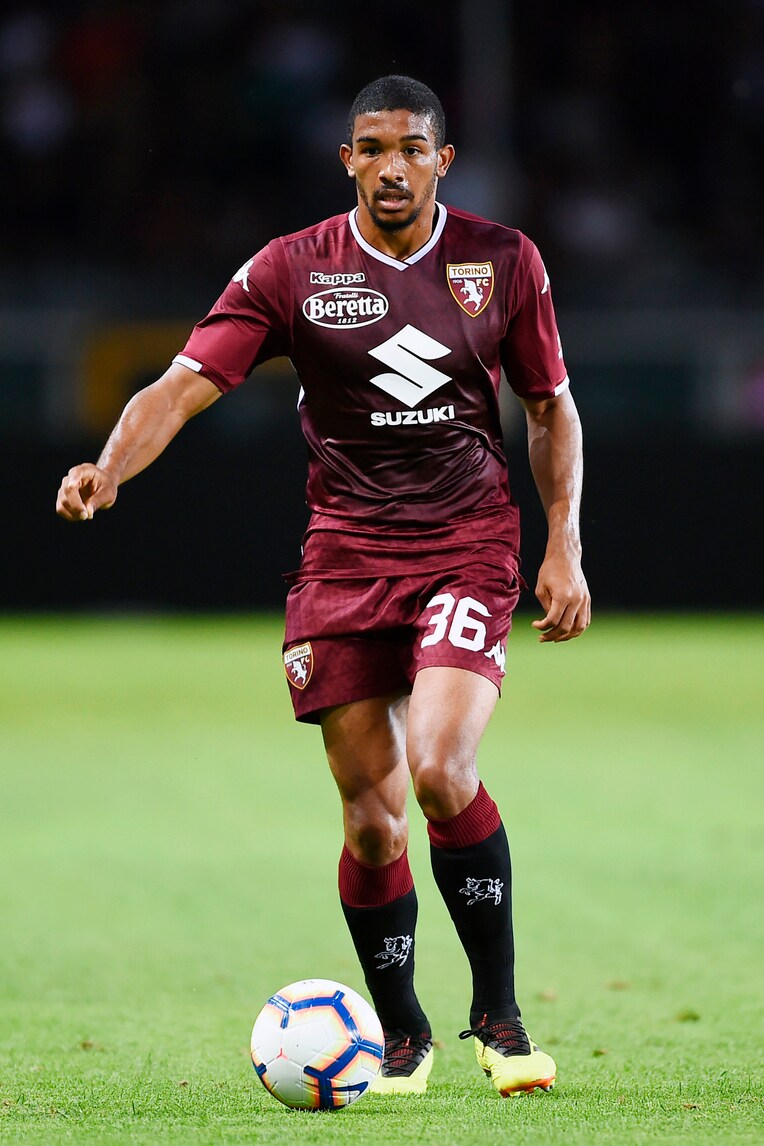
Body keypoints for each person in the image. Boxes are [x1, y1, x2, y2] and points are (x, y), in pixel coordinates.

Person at [56, 75, 590, 1098]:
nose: (392, 166)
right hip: (343, 558)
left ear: (443, 161)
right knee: (371, 822)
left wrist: (560, 543)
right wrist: (109, 466)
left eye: (411, 148)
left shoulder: (501, 260)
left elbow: (548, 406)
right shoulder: (290, 268)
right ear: (346, 160)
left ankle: (500, 1018)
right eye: (371, 148)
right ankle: (403, 1035)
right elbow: (182, 384)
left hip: (465, 543)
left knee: (440, 768)